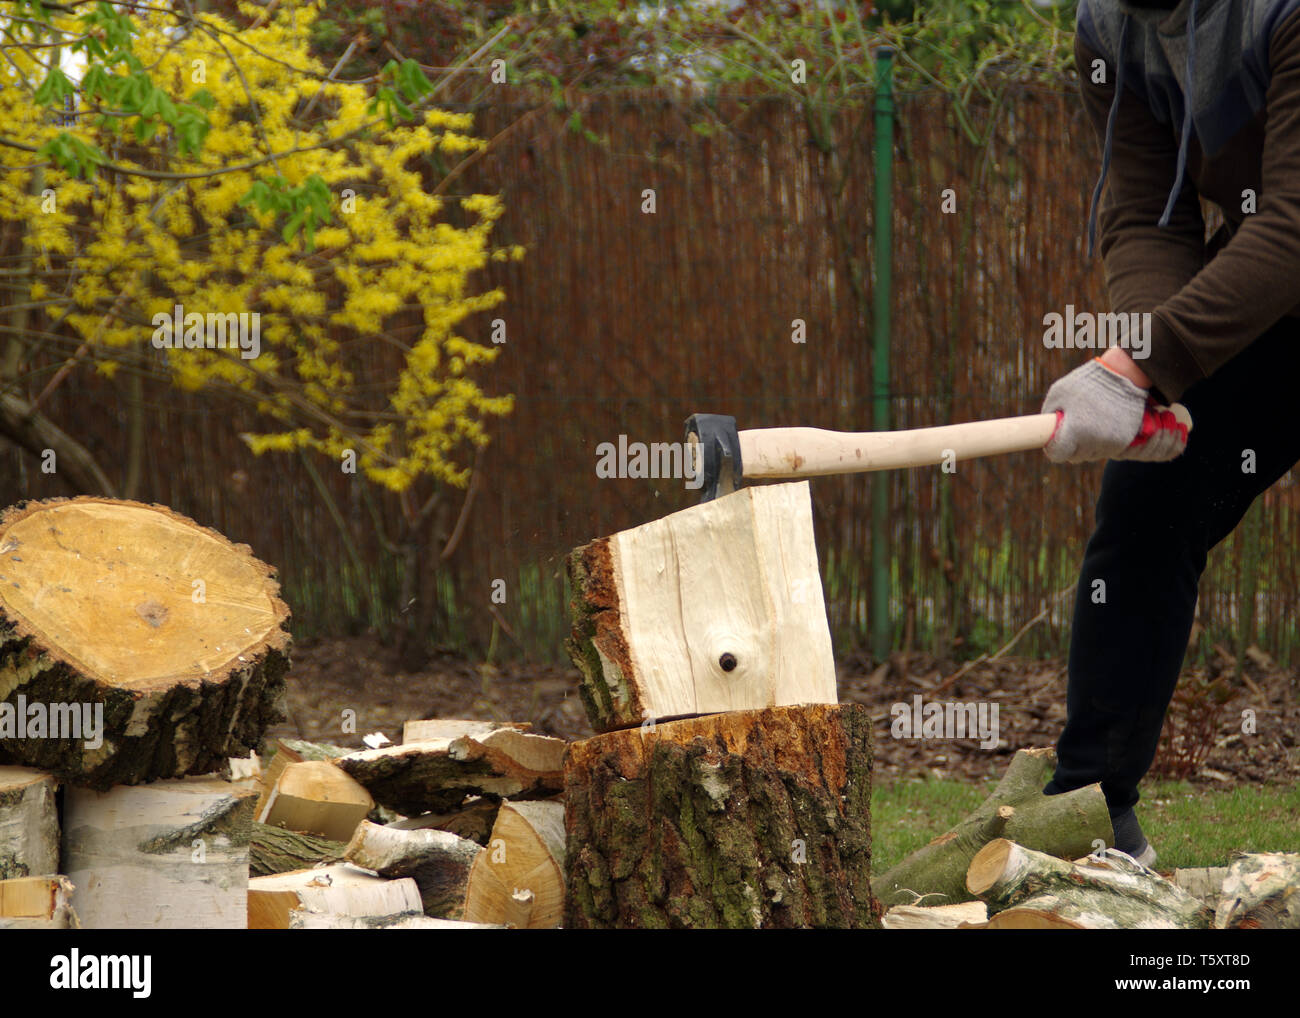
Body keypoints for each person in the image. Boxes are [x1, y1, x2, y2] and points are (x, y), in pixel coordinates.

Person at [1037, 0, 1300, 866]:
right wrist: (1154, 381)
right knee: (1153, 494)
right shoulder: (1109, 29)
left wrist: (1139, 365)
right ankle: (1088, 817)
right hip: (1278, 298)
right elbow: (1151, 212)